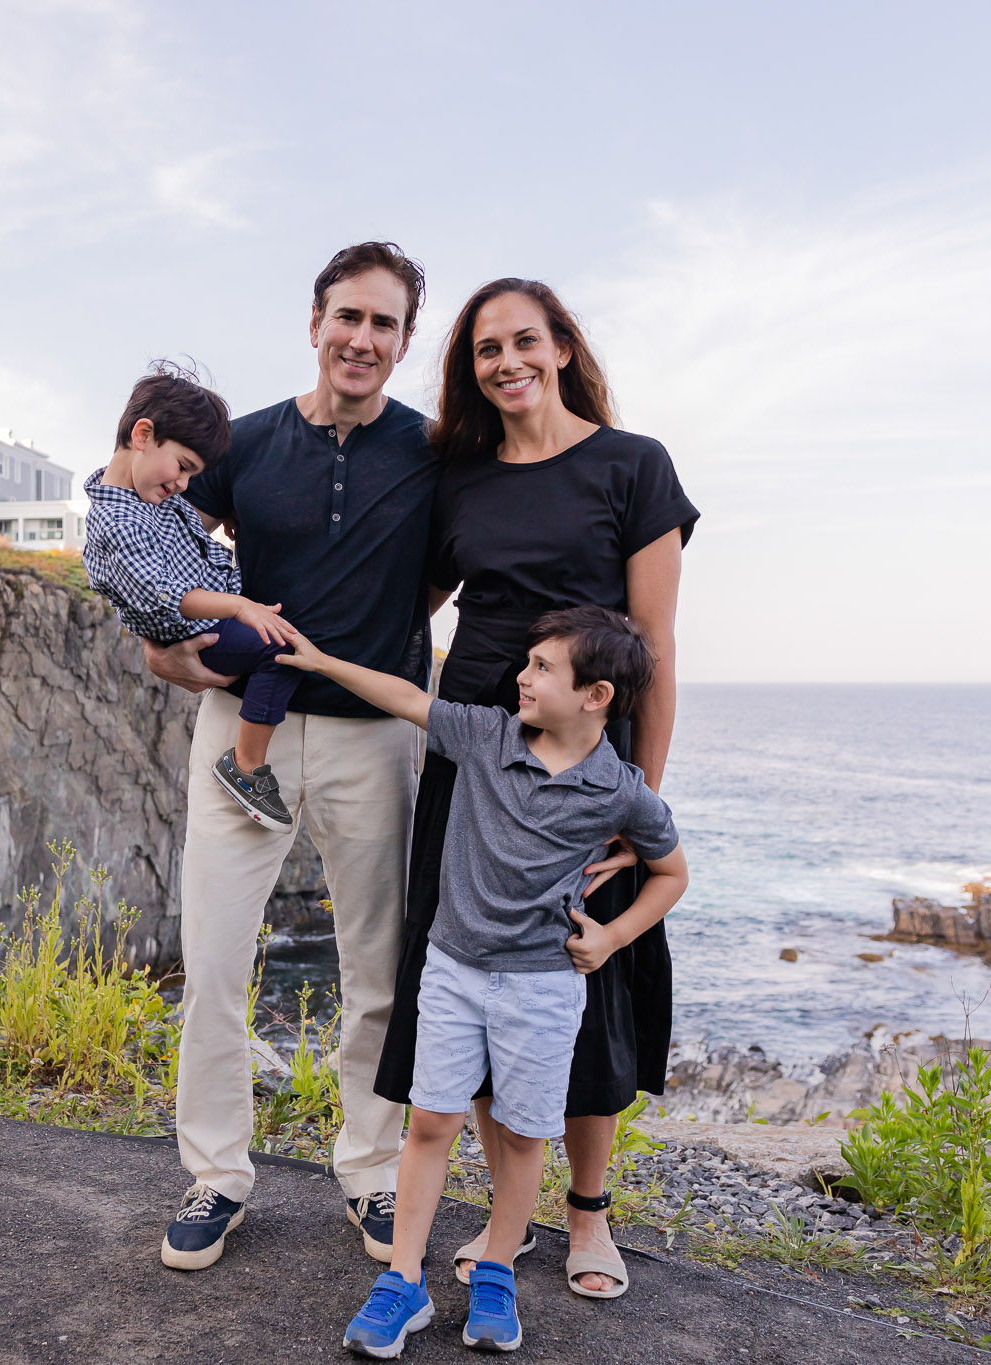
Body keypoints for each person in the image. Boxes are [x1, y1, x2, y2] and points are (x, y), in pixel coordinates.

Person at [376, 277, 699, 1300]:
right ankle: (504, 1217)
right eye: (484, 350)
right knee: (471, 967)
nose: (505, 362)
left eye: (524, 341)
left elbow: (651, 648)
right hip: (472, 754)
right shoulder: (457, 479)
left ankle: (587, 1213)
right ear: (468, 369)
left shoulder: (630, 466)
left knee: (582, 984)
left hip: (579, 768)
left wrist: (634, 804)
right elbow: (411, 600)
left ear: (560, 346)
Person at [277, 607, 688, 1357]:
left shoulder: (622, 793)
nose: (522, 677)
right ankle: (403, 1282)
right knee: (430, 1123)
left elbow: (671, 870)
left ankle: (496, 1272)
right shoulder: (487, 735)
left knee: (528, 1136)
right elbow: (405, 698)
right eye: (526, 663)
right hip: (454, 975)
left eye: (541, 668)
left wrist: (613, 935)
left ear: (596, 695)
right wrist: (320, 659)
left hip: (543, 988)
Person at [146, 243, 443, 1272]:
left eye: (384, 324)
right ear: (312, 322)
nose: (361, 339)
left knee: (375, 967)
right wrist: (161, 643)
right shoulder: (246, 442)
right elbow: (159, 534)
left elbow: (445, 578)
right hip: (242, 730)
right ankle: (217, 1174)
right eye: (346, 317)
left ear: (404, 342)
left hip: (368, 735)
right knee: (218, 960)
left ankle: (367, 1173)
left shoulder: (432, 451)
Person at [82, 364, 304, 830]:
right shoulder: (116, 521)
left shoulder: (150, 497)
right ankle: (245, 767)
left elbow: (188, 537)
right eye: (183, 467)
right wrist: (240, 606)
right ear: (143, 435)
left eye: (193, 474)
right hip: (198, 631)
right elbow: (166, 594)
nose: (183, 484)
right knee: (281, 651)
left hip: (210, 618)